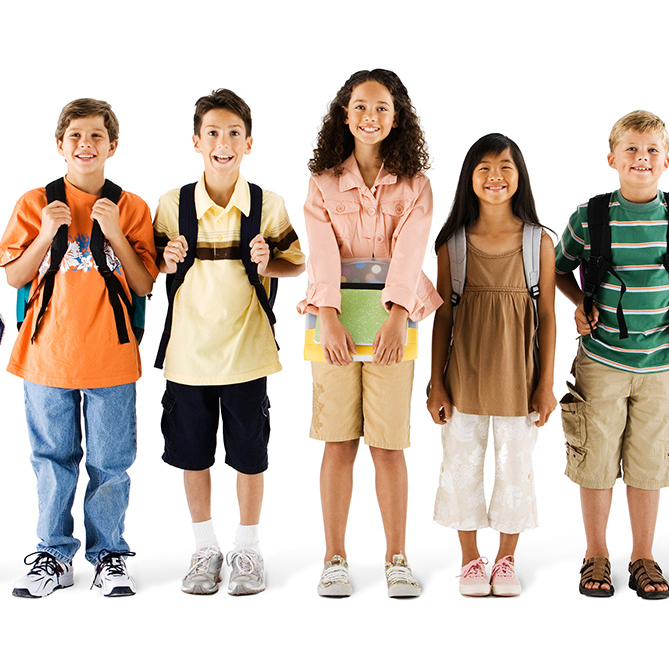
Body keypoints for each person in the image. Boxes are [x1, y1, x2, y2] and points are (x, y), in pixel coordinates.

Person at [555, 110, 669, 599]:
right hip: (602, 360)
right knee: (596, 458)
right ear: (612, 159)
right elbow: (559, 270)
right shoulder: (590, 216)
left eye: (651, 151)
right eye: (631, 149)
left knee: (649, 462)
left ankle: (643, 557)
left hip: (664, 363)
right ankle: (595, 555)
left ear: (667, 160)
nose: (641, 158)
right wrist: (579, 306)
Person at [0, 98, 157, 597]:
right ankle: (53, 553)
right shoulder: (35, 202)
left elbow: (144, 283)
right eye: (75, 136)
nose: (85, 145)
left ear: (113, 145)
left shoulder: (129, 207)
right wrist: (47, 230)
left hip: (110, 354)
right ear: (59, 144)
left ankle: (110, 554)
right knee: (51, 458)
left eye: (96, 136)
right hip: (46, 353)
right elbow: (14, 276)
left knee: (111, 461)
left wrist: (114, 233)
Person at [154, 89, 305, 596]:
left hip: (247, 352)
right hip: (188, 355)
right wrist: (166, 258)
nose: (224, 143)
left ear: (249, 142)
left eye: (234, 133)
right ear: (196, 142)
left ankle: (247, 548)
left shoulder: (267, 204)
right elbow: (151, 266)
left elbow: (297, 261)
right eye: (213, 133)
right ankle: (204, 549)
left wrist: (268, 261)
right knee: (193, 455)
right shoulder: (173, 205)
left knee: (248, 455)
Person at [298, 69, 441, 597]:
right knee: (338, 441)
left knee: (387, 444)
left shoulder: (417, 184)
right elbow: (322, 251)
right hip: (332, 323)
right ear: (344, 113)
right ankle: (334, 557)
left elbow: (409, 252)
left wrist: (399, 317)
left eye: (381, 107)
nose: (370, 117)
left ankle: (397, 558)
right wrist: (328, 315)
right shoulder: (322, 181)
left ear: (397, 115)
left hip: (391, 322)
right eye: (360, 106)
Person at [427, 134, 556, 597]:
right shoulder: (454, 242)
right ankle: (469, 560)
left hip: (519, 377)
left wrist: (546, 385)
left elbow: (547, 317)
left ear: (519, 176)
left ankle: (506, 560)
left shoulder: (539, 241)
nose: (495, 176)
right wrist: (435, 383)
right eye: (483, 168)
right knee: (460, 465)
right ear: (469, 178)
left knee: (515, 468)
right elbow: (444, 315)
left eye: (505, 167)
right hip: (464, 376)